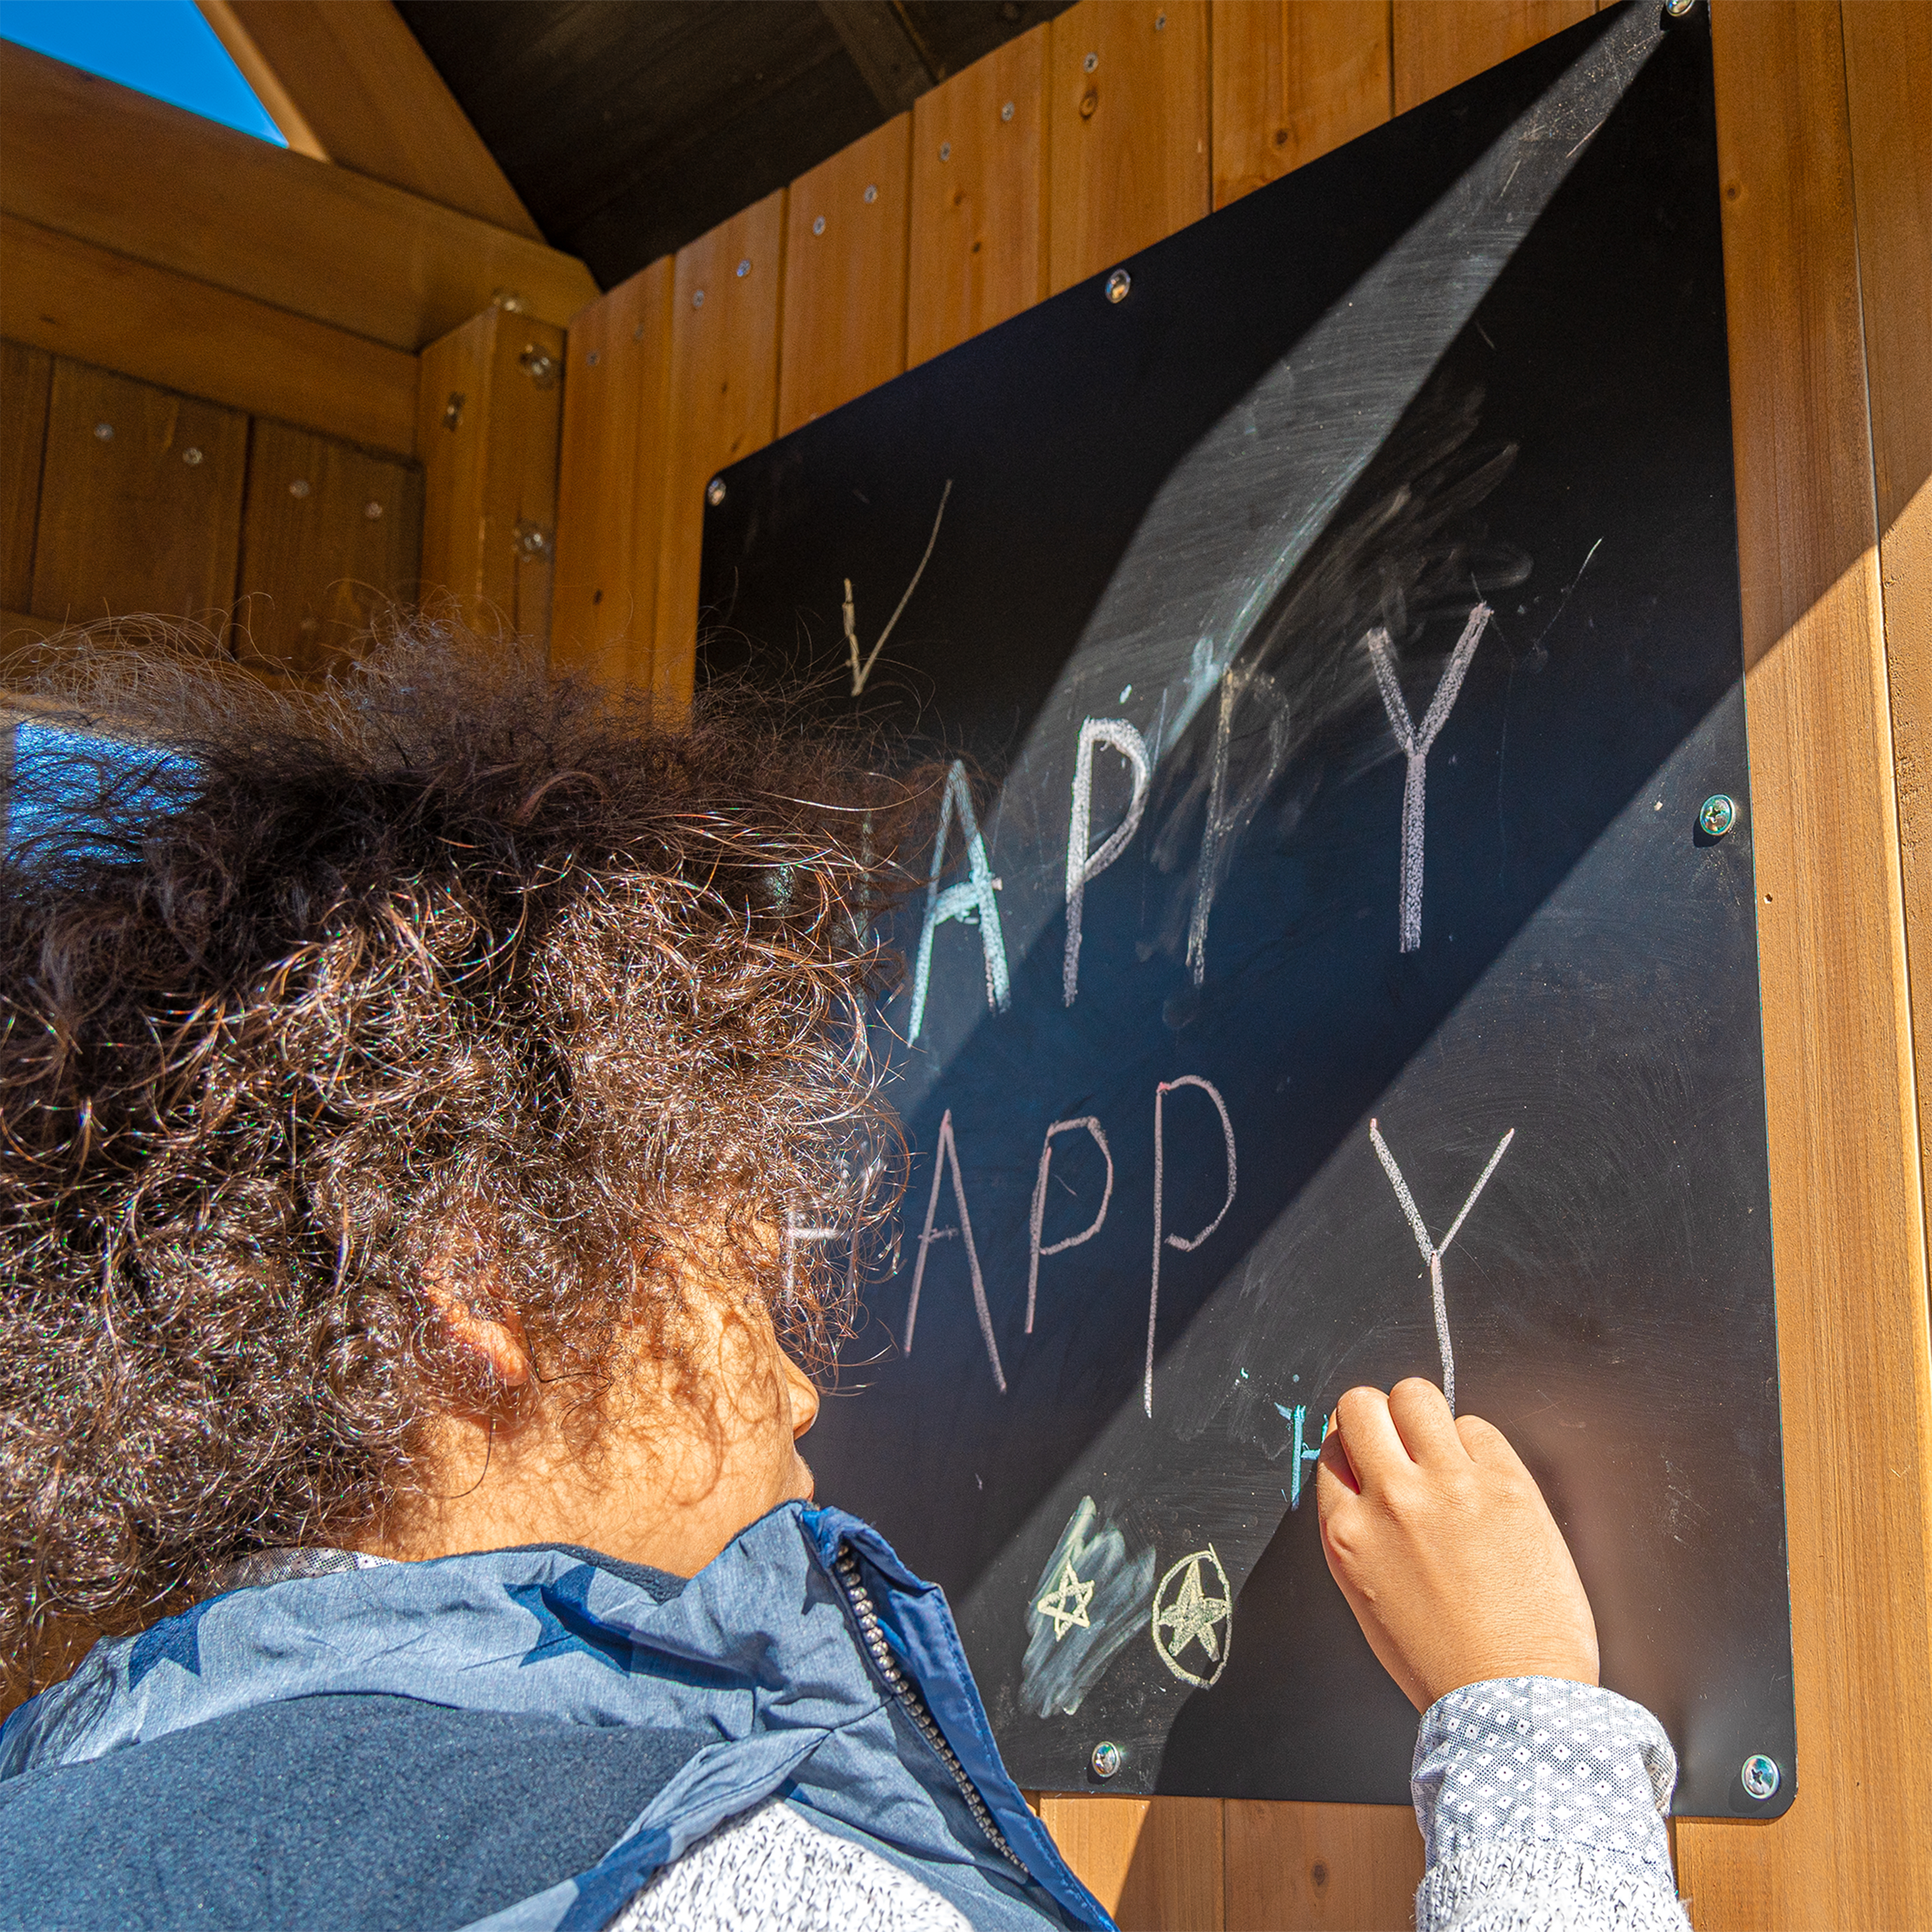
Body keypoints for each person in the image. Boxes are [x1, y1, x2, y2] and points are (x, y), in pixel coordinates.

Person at [0, 629, 1690, 1931]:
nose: (801, 1387)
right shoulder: (700, 1875)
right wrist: (1527, 1722)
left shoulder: (52, 1812)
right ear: (488, 1292)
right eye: (744, 1281)